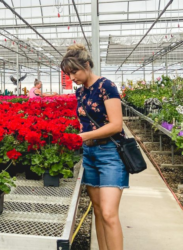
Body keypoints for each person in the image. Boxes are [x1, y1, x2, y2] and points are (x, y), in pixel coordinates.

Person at [61, 44, 128, 250]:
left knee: (109, 213)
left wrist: (82, 136)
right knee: (98, 211)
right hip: (90, 154)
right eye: (68, 73)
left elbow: (116, 125)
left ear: (87, 65)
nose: (71, 77)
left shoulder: (106, 86)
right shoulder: (80, 92)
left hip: (110, 154)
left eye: (75, 72)